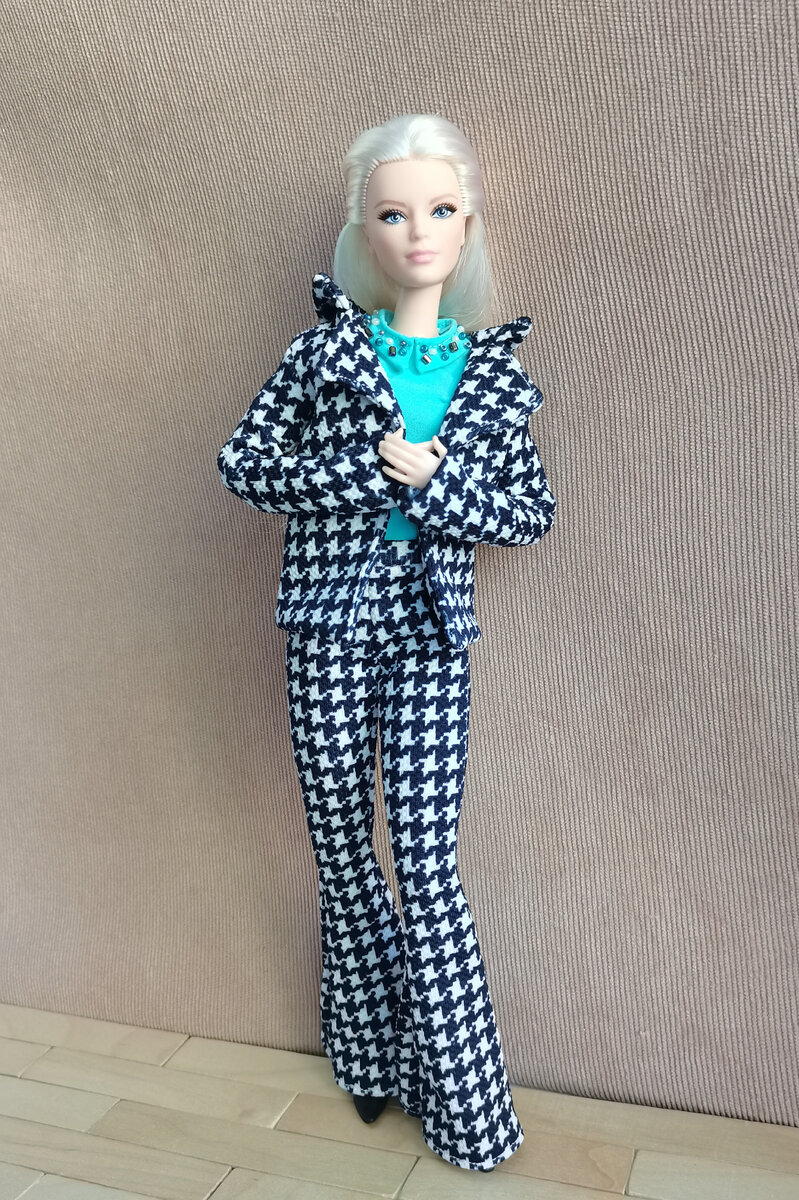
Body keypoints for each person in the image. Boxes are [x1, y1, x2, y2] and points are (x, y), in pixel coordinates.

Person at [217, 113, 556, 1173]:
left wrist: (438, 483)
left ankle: (464, 1103)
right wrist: (359, 475)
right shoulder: (323, 354)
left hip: (432, 633)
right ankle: (366, 1055)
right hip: (325, 624)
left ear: (469, 226)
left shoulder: (493, 375)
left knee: (425, 863)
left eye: (440, 210)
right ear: (363, 229)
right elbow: (244, 463)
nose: (418, 233)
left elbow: (530, 512)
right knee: (339, 845)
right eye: (394, 214)